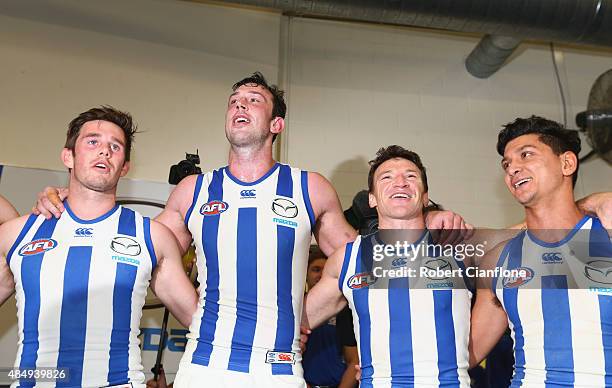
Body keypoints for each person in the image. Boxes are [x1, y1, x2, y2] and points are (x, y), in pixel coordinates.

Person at [34, 73, 472, 387]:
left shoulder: (310, 187)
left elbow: (363, 262)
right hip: (203, 366)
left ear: (276, 124)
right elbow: (140, 249)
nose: (239, 105)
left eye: (253, 100)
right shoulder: (194, 190)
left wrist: (427, 219)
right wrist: (69, 203)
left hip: (278, 369)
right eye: (234, 100)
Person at [0, 107, 198, 388]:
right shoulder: (17, 233)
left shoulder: (152, 236)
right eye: (93, 141)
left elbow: (200, 321)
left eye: (115, 146)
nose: (104, 151)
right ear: (68, 155)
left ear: (125, 166)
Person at [304, 145, 476, 387]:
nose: (400, 182)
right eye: (387, 177)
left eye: (410, 176)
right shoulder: (348, 259)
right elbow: (296, 319)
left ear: (425, 196)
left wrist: (463, 360)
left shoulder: (459, 247)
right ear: (372, 199)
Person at [470, 116, 612, 386]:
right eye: (507, 164)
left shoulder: (606, 236)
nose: (513, 168)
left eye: (526, 155)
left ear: (567, 163)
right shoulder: (498, 259)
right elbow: (468, 352)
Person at [303, 245, 358, 388]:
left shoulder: (345, 309)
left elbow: (354, 360)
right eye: (316, 269)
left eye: (325, 270)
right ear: (305, 275)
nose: (321, 274)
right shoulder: (294, 309)